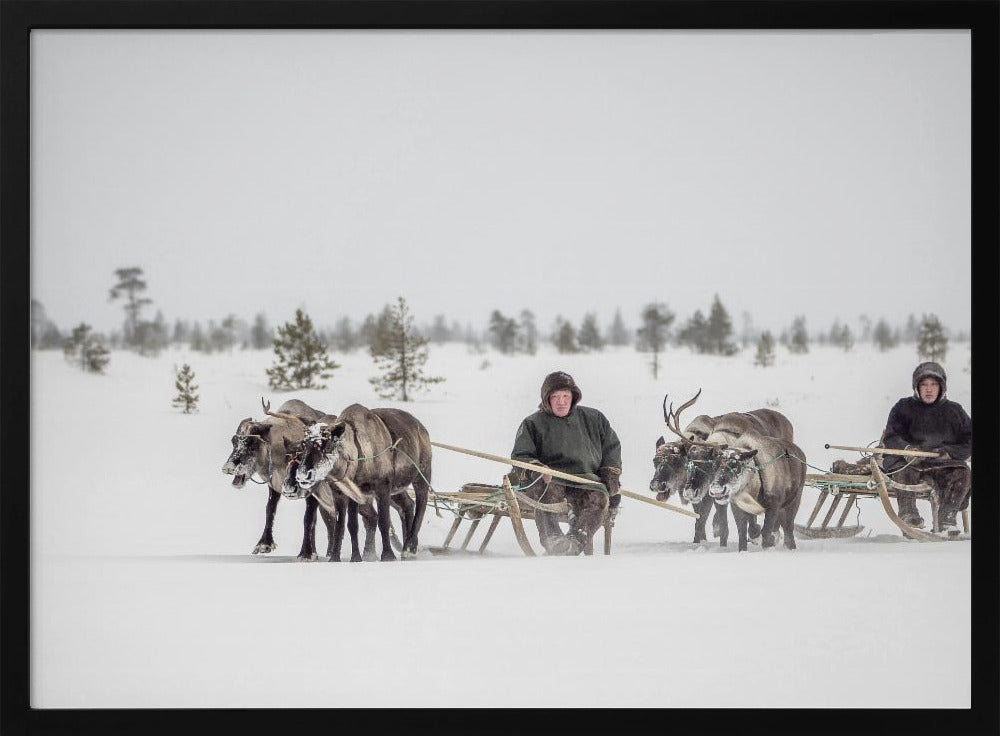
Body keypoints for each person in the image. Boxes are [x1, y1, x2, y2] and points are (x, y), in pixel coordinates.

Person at [506, 371, 623, 555]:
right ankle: (553, 540)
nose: (561, 401)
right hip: (551, 479)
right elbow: (521, 456)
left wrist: (610, 473)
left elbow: (611, 447)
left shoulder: (594, 419)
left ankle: (576, 541)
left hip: (587, 480)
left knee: (599, 498)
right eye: (555, 397)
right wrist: (537, 469)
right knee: (546, 492)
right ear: (547, 399)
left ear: (573, 397)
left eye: (566, 396)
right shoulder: (532, 423)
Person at [880, 361, 972, 533]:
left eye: (933, 384)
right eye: (924, 384)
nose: (929, 389)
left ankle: (947, 519)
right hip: (909, 462)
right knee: (903, 471)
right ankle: (909, 516)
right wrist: (907, 450)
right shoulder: (903, 407)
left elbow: (969, 440)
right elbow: (891, 436)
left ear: (941, 387)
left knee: (962, 472)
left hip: (943, 463)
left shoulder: (954, 411)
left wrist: (949, 453)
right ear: (916, 387)